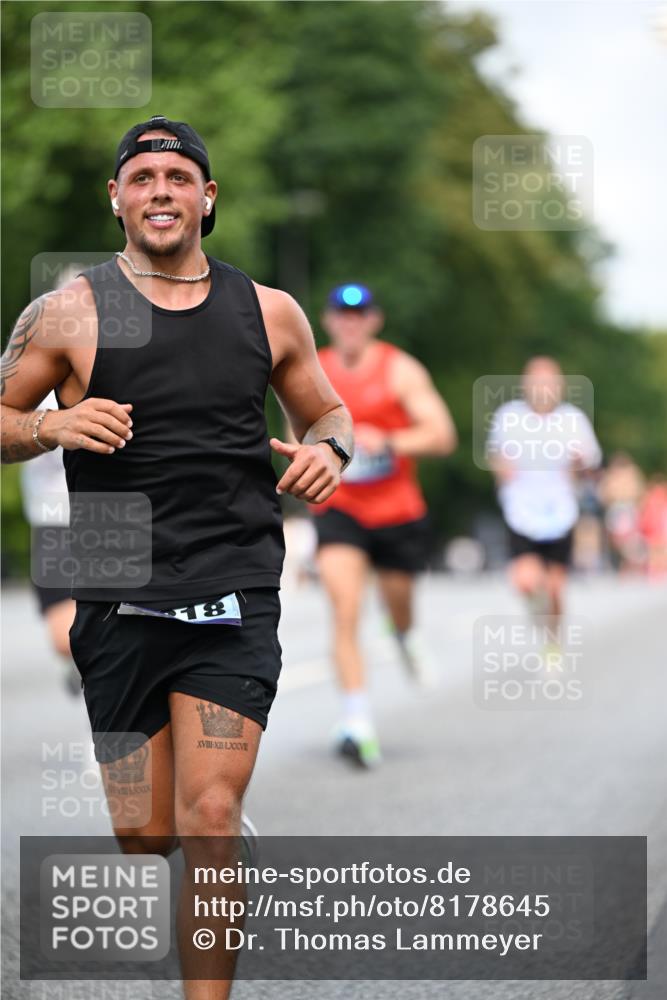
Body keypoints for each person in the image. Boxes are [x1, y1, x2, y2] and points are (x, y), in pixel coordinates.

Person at [0, 115, 353, 999]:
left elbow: (329, 413)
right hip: (116, 596)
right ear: (115, 198)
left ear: (207, 197)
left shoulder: (268, 311)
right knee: (144, 834)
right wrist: (51, 423)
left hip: (232, 592)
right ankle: (211, 839)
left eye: (178, 175)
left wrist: (328, 452)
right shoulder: (69, 312)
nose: (161, 189)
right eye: (143, 175)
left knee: (206, 813)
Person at [312, 283, 457, 768]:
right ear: (329, 321)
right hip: (341, 508)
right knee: (345, 607)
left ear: (375, 320)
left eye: (360, 315)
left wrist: (387, 441)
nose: (350, 323)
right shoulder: (317, 369)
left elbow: (442, 435)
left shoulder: (400, 369)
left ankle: (404, 635)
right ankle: (357, 721)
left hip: (397, 513)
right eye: (341, 315)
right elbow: (300, 427)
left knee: (398, 610)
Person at [486, 356, 602, 624]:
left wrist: (580, 464)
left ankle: (552, 641)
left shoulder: (573, 419)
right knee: (526, 581)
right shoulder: (509, 416)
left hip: (560, 512)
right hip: (521, 511)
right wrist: (502, 471)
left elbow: (591, 467)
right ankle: (537, 609)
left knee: (554, 587)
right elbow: (496, 456)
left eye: (549, 382)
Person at [19, 390, 79, 694]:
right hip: (54, 522)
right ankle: (86, 666)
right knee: (64, 638)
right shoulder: (33, 375)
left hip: (115, 515)